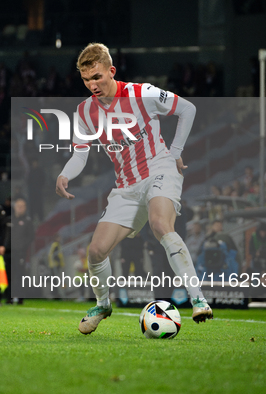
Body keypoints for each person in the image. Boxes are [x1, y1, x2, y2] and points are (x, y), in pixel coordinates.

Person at [55, 43, 212, 335]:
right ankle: (102, 305)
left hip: (159, 169)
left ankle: (198, 299)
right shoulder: (84, 112)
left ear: (111, 71)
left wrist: (176, 150)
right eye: (87, 79)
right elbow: (80, 153)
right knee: (97, 251)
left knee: (159, 223)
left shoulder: (143, 93)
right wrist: (65, 175)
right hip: (125, 186)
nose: (93, 85)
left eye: (98, 77)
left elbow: (187, 109)